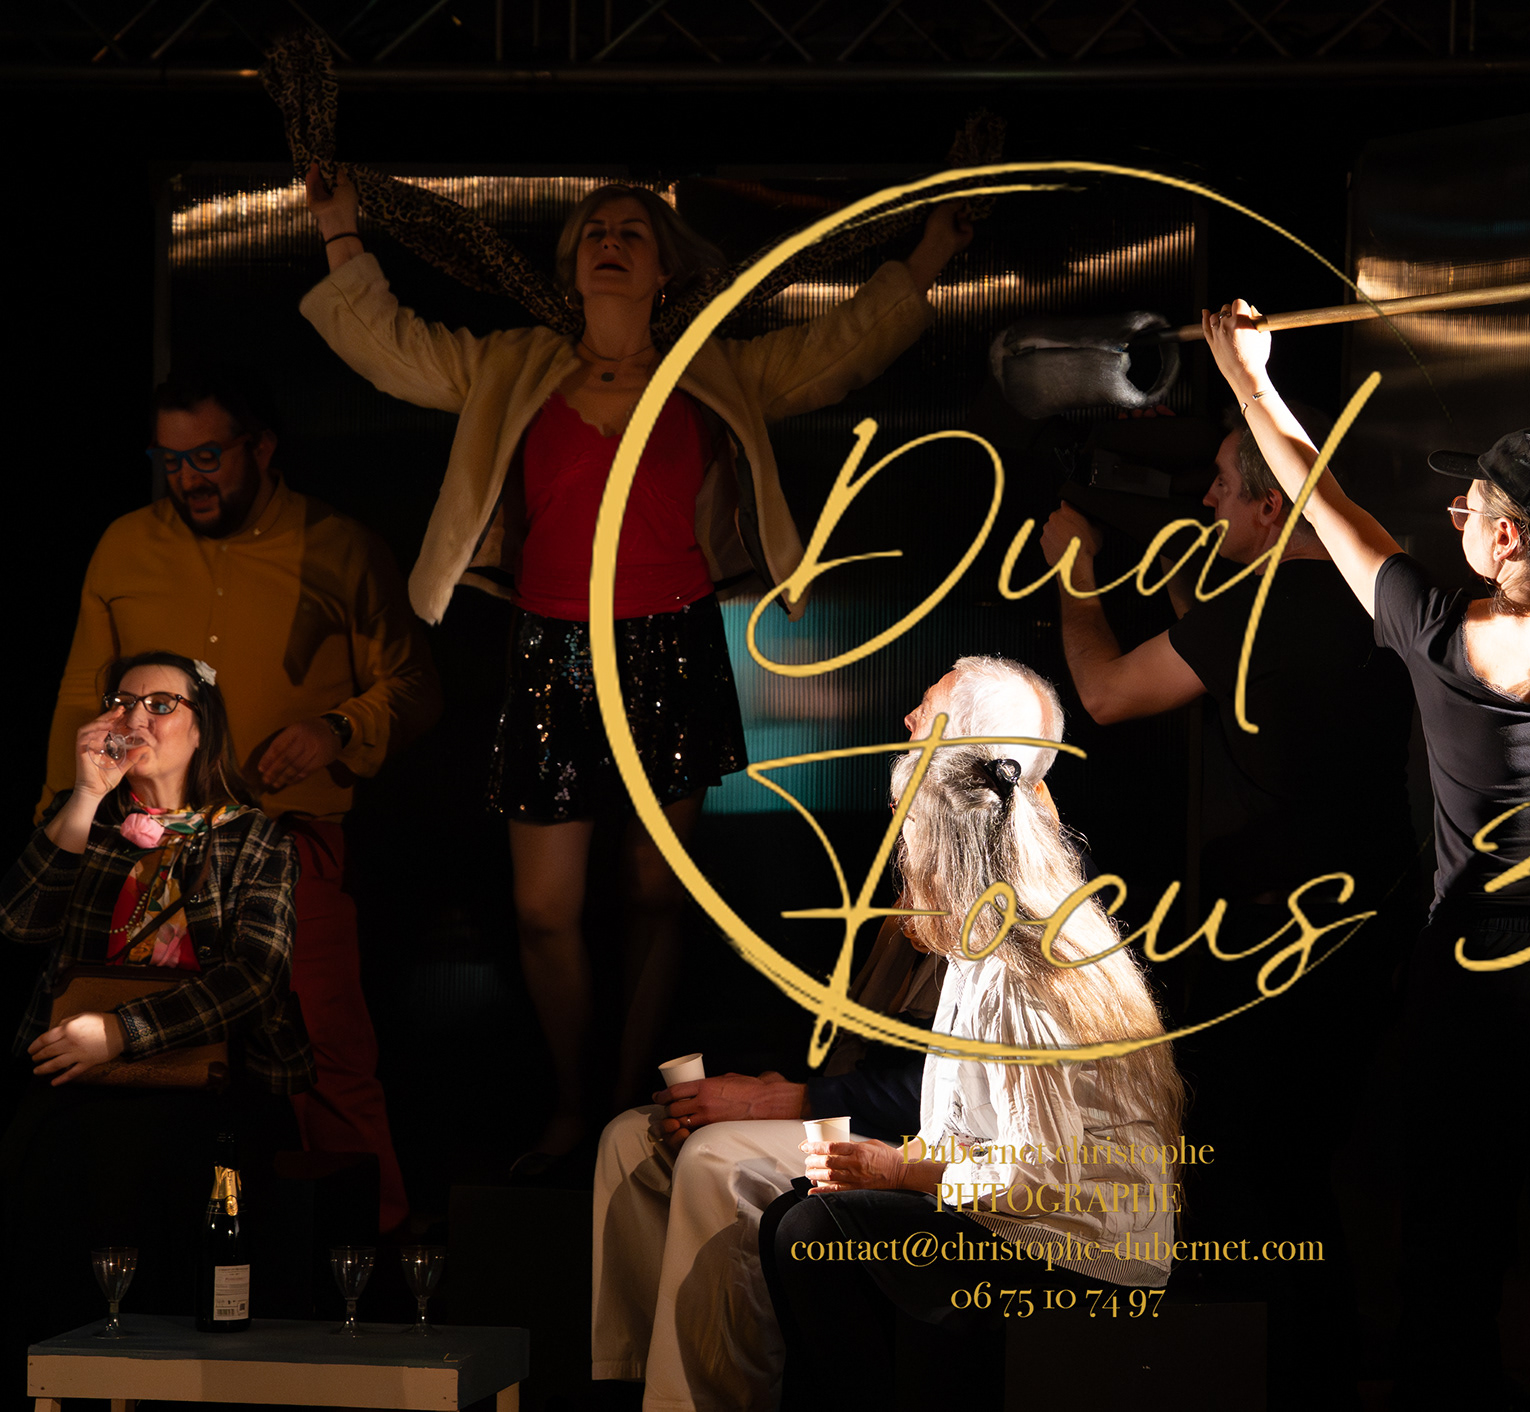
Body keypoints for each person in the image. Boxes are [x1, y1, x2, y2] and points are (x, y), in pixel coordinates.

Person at [302, 174, 973, 1171]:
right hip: (553, 651)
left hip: (671, 645)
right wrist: (337, 229)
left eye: (631, 233)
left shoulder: (711, 370)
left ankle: (625, 1102)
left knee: (656, 893)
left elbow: (839, 350)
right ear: (571, 266)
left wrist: (932, 253)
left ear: (664, 270)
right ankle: (577, 1103)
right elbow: (392, 348)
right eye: (593, 233)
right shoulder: (513, 365)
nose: (609, 242)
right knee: (543, 911)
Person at [1200, 241, 1530, 1409]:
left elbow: (1312, 485)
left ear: (1505, 540)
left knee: (1452, 1261)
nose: (1454, 511)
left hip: (1481, 991)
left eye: (1472, 503)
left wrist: (1247, 373)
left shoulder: (1432, 630)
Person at [1037, 411, 1415, 1402]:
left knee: (1256, 1171)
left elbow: (1107, 693)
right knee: (1315, 1161)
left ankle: (1292, 1375)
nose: (1205, 498)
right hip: (1378, 918)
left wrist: (1073, 571)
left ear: (1272, 502)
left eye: (1220, 483)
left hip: (1283, 940)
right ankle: (1335, 1362)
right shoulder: (1384, 588)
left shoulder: (1258, 610)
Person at [589, 656, 1062, 1411]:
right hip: (869, 1105)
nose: (907, 720)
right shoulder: (925, 857)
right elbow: (871, 1041)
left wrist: (785, 1103)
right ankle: (634, 1385)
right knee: (631, 1140)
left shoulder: (1015, 888)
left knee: (716, 1158)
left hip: (941, 1147)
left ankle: (709, 1401)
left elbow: (958, 1094)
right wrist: (784, 1088)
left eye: (928, 707)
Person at [41, 368, 438, 1234]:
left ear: (260, 448)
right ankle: (164, 1261)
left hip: (284, 844)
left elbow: (413, 685)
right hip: (143, 843)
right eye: (170, 460)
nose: (188, 478)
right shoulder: (125, 546)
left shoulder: (341, 547)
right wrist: (60, 830)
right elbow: (81, 690)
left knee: (321, 1049)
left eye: (207, 457)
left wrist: (339, 728)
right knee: (148, 1052)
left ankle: (366, 1256)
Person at [761, 692, 1187, 1408]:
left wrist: (898, 1170)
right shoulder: (973, 949)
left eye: (908, 835)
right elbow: (969, 1133)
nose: (901, 857)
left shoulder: (1021, 967)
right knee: (799, 1214)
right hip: (1030, 1219)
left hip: (1082, 1247)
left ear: (942, 850)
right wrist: (889, 1168)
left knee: (812, 1232)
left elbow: (1043, 1178)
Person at [3, 650, 312, 1350]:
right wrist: (86, 796)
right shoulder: (85, 818)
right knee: (50, 1165)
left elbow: (257, 978)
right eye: (120, 702)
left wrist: (122, 1032)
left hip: (210, 1082)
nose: (134, 718)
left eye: (160, 705)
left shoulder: (254, 838)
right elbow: (19, 923)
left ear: (203, 729)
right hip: (80, 1081)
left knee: (160, 1169)